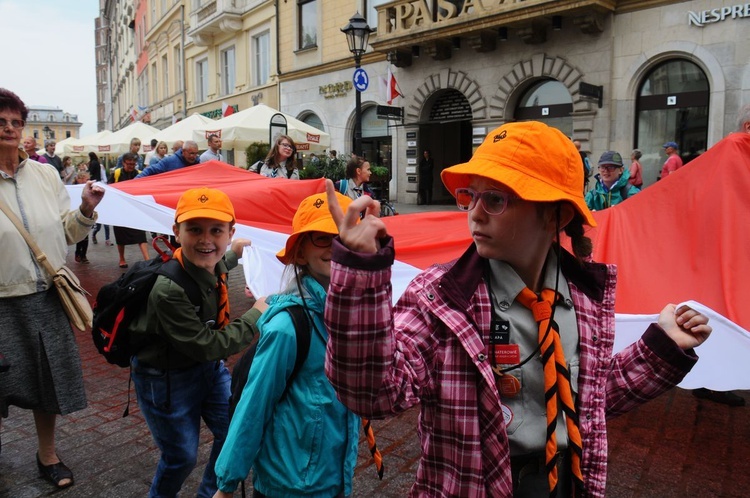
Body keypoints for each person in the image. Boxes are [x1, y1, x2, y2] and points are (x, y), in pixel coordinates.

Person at [323, 121, 711, 497]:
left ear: (556, 214)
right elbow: (374, 392)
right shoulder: (440, 298)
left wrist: (661, 348)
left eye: (495, 199)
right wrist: (360, 273)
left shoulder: (584, 298)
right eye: (470, 196)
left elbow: (589, 400)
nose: (474, 213)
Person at [213, 192, 361, 498]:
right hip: (290, 485)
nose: (335, 247)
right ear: (301, 253)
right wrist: (227, 484)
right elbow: (255, 405)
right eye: (322, 237)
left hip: (334, 479)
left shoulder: (354, 316)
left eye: (345, 236)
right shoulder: (287, 327)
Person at [0, 88, 104, 489]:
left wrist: (86, 210)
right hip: (2, 301)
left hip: (47, 297)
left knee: (48, 382)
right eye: (1, 122)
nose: (10, 129)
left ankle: (47, 454)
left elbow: (66, 230)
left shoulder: (44, 173)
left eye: (15, 122)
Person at [130, 187, 265, 498]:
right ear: (176, 232)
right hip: (165, 377)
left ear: (231, 232)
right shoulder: (168, 290)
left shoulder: (206, 260)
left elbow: (211, 265)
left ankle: (208, 494)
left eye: (216, 230)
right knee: (181, 457)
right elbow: (209, 345)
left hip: (205, 369)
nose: (206, 240)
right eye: (194, 230)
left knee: (232, 433)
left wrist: (233, 254)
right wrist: (255, 314)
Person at [690, 106, 749, 408]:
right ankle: (711, 381)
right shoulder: (736, 150)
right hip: (722, 250)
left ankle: (710, 378)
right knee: (718, 312)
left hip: (729, 248)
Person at [109, 152, 149, 267]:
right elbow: (109, 187)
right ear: (123, 163)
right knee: (120, 235)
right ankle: (122, 259)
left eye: (133, 164)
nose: (131, 166)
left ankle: (147, 259)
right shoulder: (117, 173)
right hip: (120, 208)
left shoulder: (140, 174)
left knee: (141, 233)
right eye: (129, 164)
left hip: (135, 208)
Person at [88, 152, 112, 246]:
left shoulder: (93, 164)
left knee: (106, 225)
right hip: (99, 208)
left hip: (103, 207)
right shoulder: (97, 164)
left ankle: (107, 239)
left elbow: (92, 173)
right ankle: (94, 235)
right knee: (98, 227)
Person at [73, 170, 92, 264]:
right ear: (80, 179)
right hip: (78, 213)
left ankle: (83, 255)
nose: (88, 181)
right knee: (80, 235)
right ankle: (78, 253)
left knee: (86, 235)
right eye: (86, 179)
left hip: (87, 213)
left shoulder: (89, 188)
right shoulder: (74, 188)